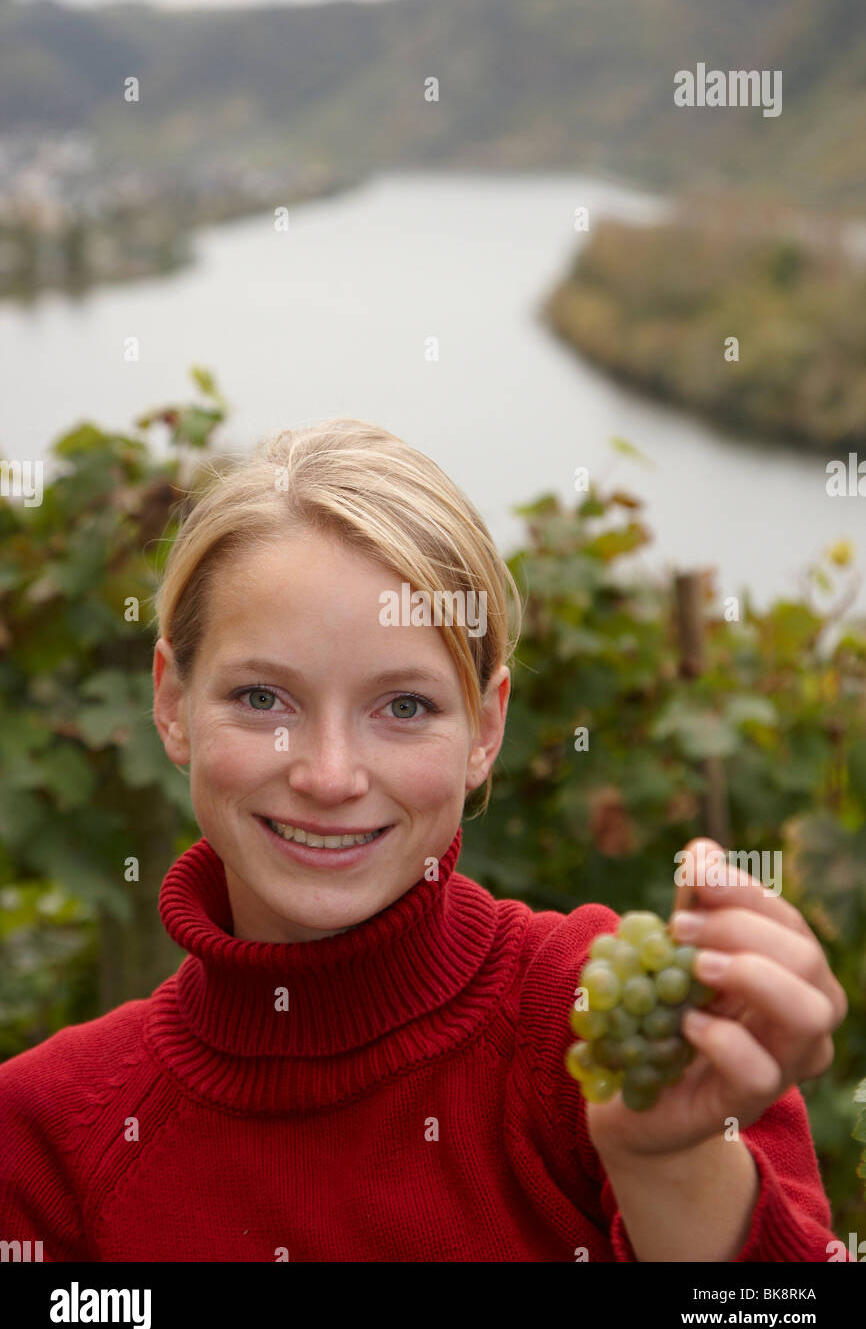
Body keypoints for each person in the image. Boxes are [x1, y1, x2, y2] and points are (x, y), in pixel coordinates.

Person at [0, 419, 849, 1261]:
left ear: (486, 729)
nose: (330, 776)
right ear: (171, 703)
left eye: (404, 707)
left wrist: (671, 1166)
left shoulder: (630, 1035)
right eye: (264, 699)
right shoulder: (43, 1138)